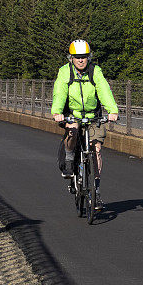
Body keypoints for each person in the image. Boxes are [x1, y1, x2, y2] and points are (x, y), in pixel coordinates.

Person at [51, 39, 119, 209]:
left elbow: (104, 90)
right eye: (77, 57)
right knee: (72, 131)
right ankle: (68, 159)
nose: (81, 60)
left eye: (84, 57)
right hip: (72, 114)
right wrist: (57, 112)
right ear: (71, 58)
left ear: (89, 57)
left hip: (93, 116)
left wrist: (112, 110)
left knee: (95, 149)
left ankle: (96, 191)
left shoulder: (95, 71)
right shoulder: (65, 72)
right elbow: (60, 92)